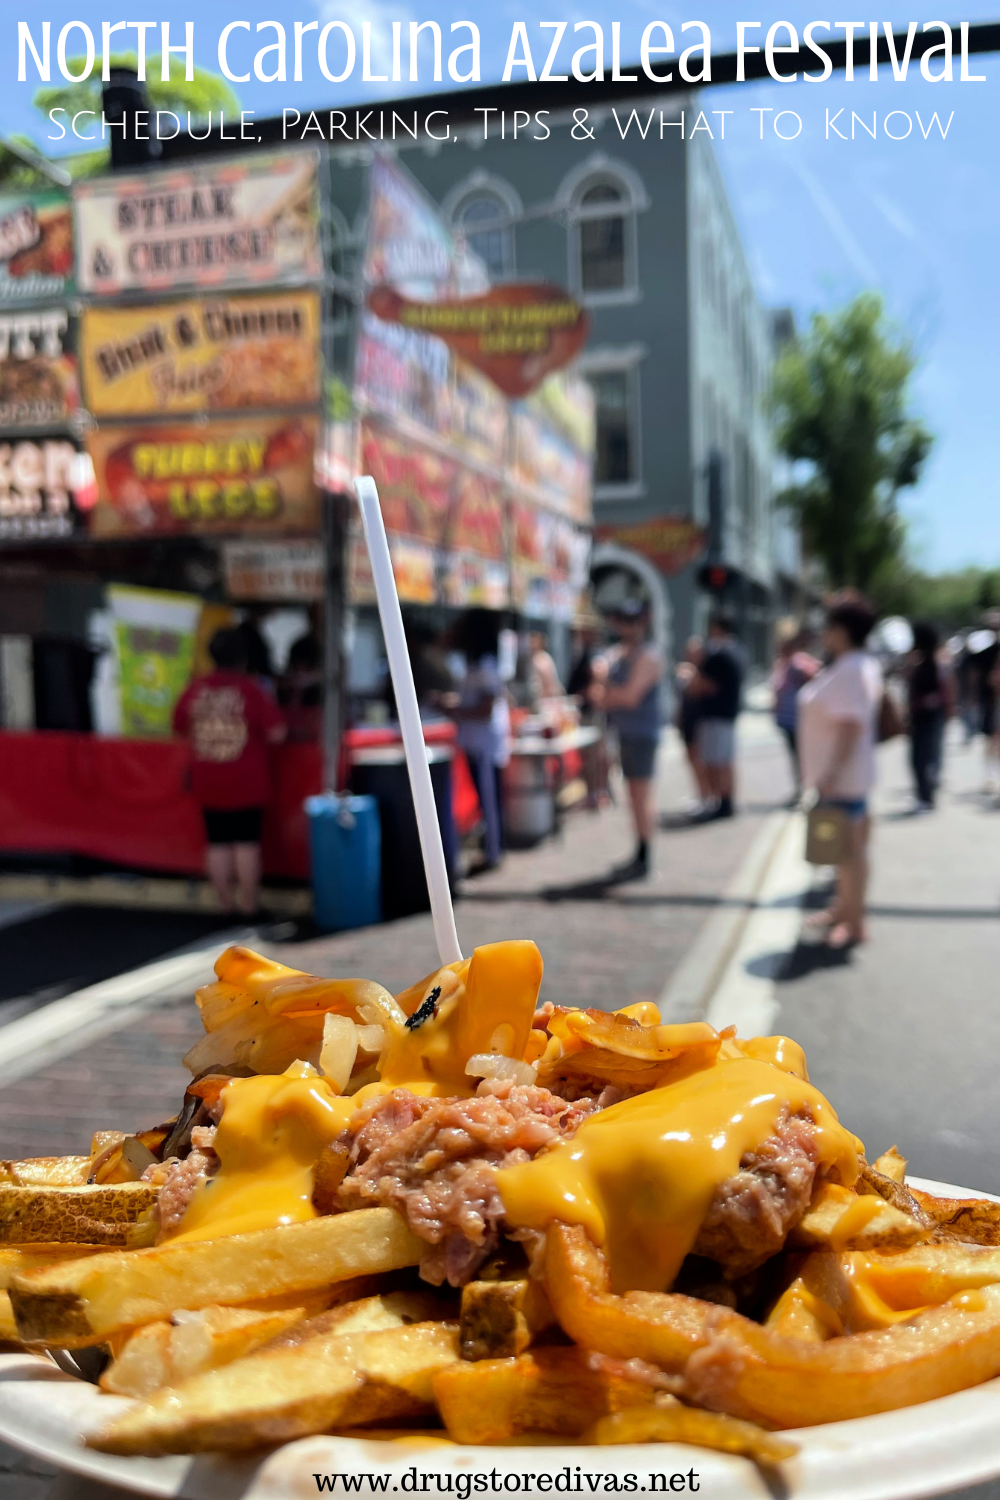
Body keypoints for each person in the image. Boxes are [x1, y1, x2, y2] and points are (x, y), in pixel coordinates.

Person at [173, 627, 286, 915]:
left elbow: (178, 726)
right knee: (246, 844)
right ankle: (249, 907)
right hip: (246, 780)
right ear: (243, 658)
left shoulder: (196, 689)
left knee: (217, 843)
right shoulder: (251, 690)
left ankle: (225, 907)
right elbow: (277, 733)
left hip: (207, 779)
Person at [797, 591, 882, 950]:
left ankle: (853, 921)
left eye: (829, 625)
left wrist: (830, 775)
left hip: (842, 781)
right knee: (847, 853)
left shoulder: (850, 669)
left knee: (849, 854)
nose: (824, 632)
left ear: (843, 630)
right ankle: (845, 910)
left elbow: (849, 727)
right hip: (844, 778)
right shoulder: (855, 664)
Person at [597, 599, 663, 879]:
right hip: (626, 733)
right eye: (624, 621)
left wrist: (607, 690)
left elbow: (628, 696)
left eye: (632, 621)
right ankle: (640, 852)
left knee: (640, 795)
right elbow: (600, 693)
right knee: (633, 796)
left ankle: (645, 856)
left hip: (641, 735)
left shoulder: (648, 655)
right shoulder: (621, 654)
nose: (627, 627)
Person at [451, 609, 510, 873]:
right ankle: (492, 849)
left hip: (485, 743)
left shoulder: (486, 663)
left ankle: (493, 853)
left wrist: (455, 711)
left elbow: (486, 709)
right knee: (489, 799)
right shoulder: (478, 662)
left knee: (490, 800)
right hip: (478, 741)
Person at [692, 612, 744, 820]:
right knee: (725, 760)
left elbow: (702, 686)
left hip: (716, 716)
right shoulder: (737, 651)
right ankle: (726, 802)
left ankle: (721, 802)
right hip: (727, 715)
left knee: (717, 761)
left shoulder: (718, 654)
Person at [771, 619, 820, 802]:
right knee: (795, 757)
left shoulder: (798, 662)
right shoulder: (785, 662)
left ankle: (804, 790)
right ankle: (800, 789)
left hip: (797, 718)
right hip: (788, 718)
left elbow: (816, 677)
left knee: (800, 756)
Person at [907, 621, 952, 811]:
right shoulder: (924, 662)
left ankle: (926, 796)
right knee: (924, 757)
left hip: (927, 717)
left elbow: (940, 691)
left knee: (922, 758)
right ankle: (925, 793)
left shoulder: (931, 664)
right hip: (924, 717)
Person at [675, 636, 711, 811]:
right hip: (687, 723)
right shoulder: (686, 669)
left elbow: (695, 692)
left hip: (699, 724)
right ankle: (701, 795)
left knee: (700, 761)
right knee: (692, 760)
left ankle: (707, 797)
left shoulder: (702, 672)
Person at [529, 629, 563, 703]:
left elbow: (549, 683)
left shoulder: (541, 658)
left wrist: (550, 700)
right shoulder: (538, 656)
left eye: (534, 641)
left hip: (546, 701)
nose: (531, 643)